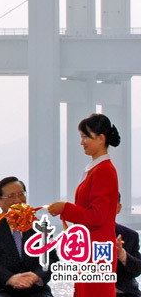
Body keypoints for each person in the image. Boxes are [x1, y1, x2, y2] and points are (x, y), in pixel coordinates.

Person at [47, 113, 121, 296]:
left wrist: (66, 208)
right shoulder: (96, 168)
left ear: (101, 138)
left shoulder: (104, 170)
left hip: (97, 249)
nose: (82, 142)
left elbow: (97, 216)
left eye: (86, 137)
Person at [0, 176, 53, 297]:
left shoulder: (40, 227)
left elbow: (51, 259)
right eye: (11, 196)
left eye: (21, 194)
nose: (18, 200)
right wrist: (10, 278)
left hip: (35, 289)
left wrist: (36, 276)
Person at [115, 194, 141, 297]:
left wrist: (122, 255)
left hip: (126, 293)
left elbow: (137, 270)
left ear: (118, 208)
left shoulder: (130, 235)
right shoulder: (85, 235)